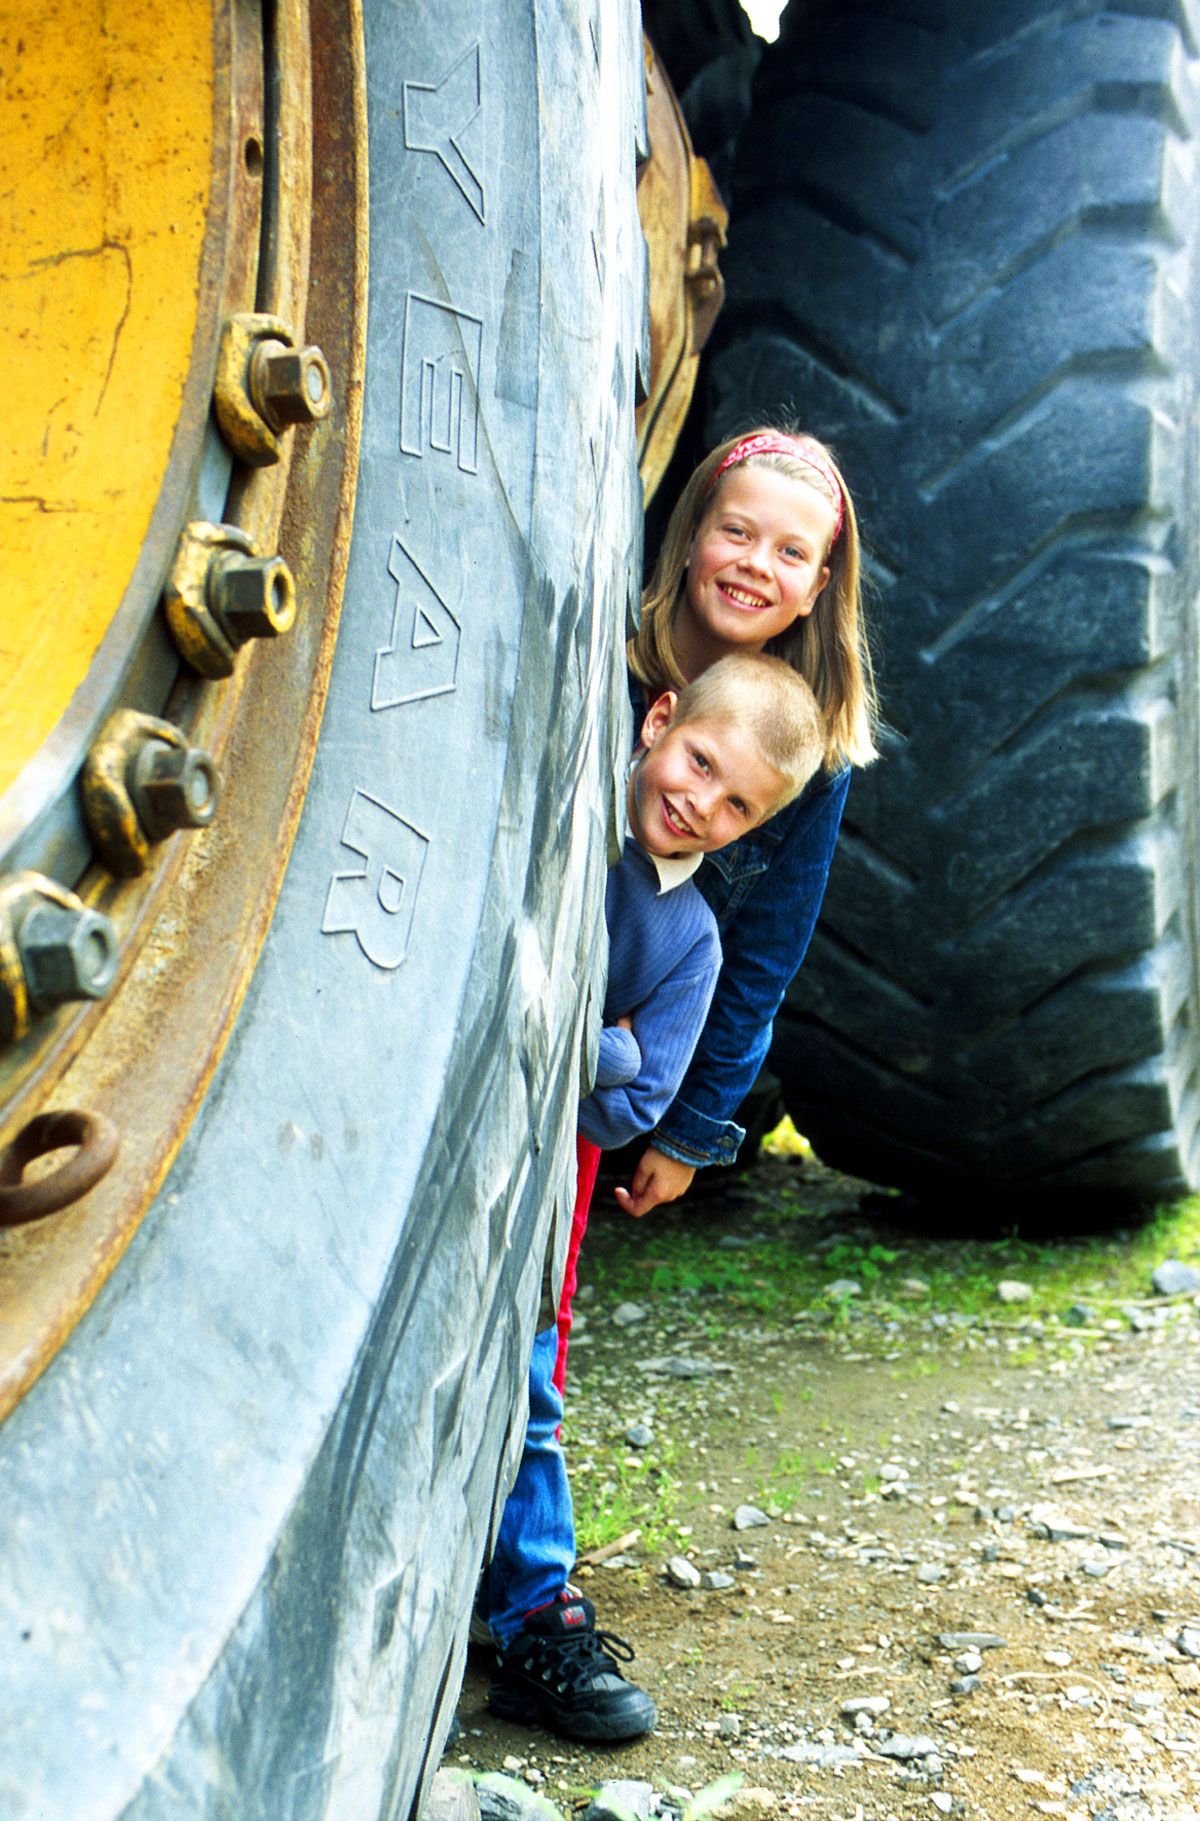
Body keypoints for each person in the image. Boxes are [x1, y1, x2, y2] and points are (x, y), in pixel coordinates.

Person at [483, 652, 826, 1743]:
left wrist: (587, 1053)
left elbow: (634, 1111)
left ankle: (536, 1613)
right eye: (699, 764)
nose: (701, 805)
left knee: (530, 1377)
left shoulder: (690, 940)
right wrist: (606, 1047)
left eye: (737, 806)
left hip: (544, 1180)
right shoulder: (561, 819)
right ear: (657, 721)